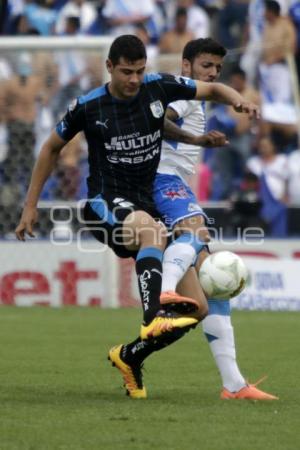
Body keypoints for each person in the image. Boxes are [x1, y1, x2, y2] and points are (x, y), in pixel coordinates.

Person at [15, 35, 259, 399]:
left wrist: (238, 99)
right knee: (152, 232)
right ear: (110, 67)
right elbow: (51, 147)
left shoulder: (157, 86)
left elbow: (212, 89)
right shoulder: (88, 106)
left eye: (140, 71)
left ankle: (129, 356)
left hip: (144, 205)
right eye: (127, 72)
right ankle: (152, 314)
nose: (134, 79)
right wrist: (31, 205)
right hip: (104, 203)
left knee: (196, 309)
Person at [153, 38, 278, 399]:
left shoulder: (191, 96)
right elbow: (160, 121)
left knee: (213, 281)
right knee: (198, 236)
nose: (212, 73)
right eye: (206, 66)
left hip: (174, 185)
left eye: (217, 69)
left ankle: (234, 384)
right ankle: (166, 289)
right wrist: (197, 139)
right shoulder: (181, 94)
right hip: (164, 182)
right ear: (187, 65)